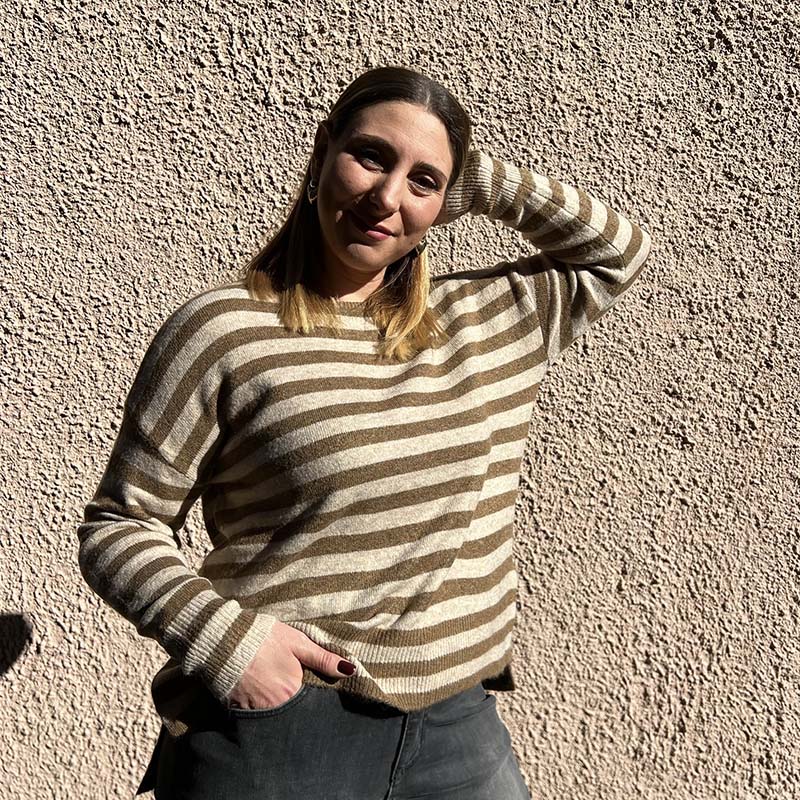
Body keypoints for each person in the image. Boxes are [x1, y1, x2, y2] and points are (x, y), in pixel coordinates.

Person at [77, 65, 652, 799]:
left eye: (423, 181)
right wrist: (232, 645)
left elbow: (617, 249)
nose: (387, 198)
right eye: (371, 157)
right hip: (281, 734)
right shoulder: (223, 332)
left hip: (459, 732)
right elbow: (120, 526)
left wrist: (472, 178)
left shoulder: (486, 320)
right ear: (323, 152)